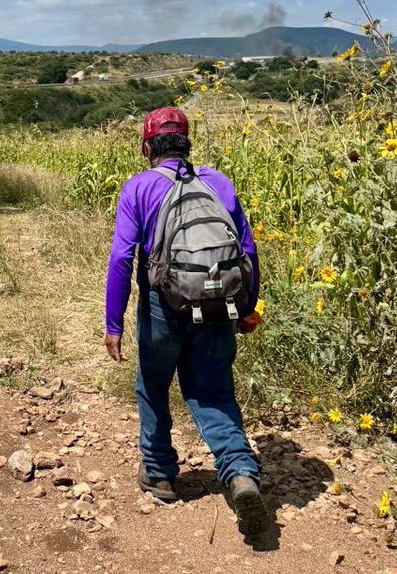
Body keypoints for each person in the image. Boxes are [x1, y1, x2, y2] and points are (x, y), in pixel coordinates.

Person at [103, 106, 269, 536]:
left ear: (147, 146)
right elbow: (247, 251)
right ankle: (239, 474)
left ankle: (159, 472)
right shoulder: (217, 182)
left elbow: (122, 257)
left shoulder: (138, 188)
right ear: (187, 142)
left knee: (153, 385)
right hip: (218, 308)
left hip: (162, 307)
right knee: (213, 390)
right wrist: (247, 307)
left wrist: (114, 324)